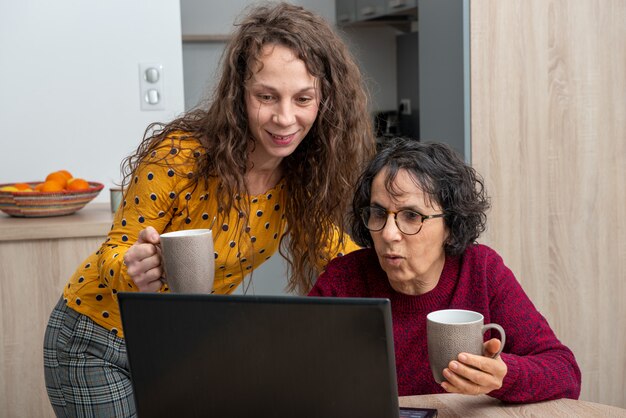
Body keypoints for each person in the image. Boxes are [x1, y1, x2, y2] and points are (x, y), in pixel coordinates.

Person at [43, 3, 375, 416]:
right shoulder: (182, 154)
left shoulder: (301, 177)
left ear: (325, 101)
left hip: (178, 345)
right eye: (266, 96)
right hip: (96, 341)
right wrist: (134, 265)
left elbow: (339, 254)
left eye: (303, 98)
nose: (285, 117)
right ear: (240, 94)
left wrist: (408, 265)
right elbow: (117, 251)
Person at [309, 137, 581, 402]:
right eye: (379, 213)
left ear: (451, 227)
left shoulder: (481, 270)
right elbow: (290, 367)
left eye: (412, 216)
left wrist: (503, 376)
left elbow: (565, 372)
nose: (389, 234)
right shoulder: (343, 279)